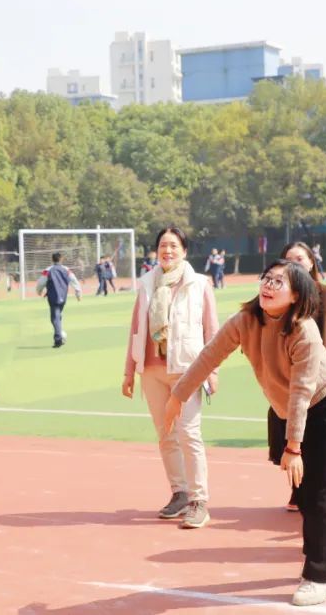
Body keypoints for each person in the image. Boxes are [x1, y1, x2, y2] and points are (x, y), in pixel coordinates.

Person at [164, 260, 326, 606]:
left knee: (321, 490)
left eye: (279, 282)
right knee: (304, 492)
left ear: (296, 295)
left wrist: (294, 447)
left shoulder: (304, 331)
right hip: (284, 410)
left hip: (323, 409)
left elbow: (302, 392)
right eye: (267, 278)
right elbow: (210, 355)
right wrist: (178, 396)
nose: (268, 285)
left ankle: (321, 576)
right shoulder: (246, 320)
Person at [123, 227, 218, 530]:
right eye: (163, 245)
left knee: (189, 433)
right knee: (166, 434)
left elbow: (211, 331)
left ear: (184, 251)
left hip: (187, 369)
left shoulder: (199, 284)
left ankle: (199, 501)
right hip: (152, 370)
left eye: (174, 246)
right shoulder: (147, 284)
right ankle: (180, 493)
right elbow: (136, 330)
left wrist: (212, 371)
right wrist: (129, 371)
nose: (168, 251)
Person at [271, 241, 326, 511]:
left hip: (322, 377)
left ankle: (317, 492)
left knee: (320, 435)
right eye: (289, 259)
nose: (295, 264)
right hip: (288, 375)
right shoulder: (279, 298)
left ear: (311, 262)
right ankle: (297, 490)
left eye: (300, 259)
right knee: (293, 433)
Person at [36, 252, 81, 348]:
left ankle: (58, 339)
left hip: (53, 297)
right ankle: (60, 333)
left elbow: (41, 282)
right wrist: (78, 292)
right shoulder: (66, 270)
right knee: (58, 316)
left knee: (54, 318)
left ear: (52, 260)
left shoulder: (48, 270)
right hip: (63, 297)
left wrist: (39, 291)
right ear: (61, 259)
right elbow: (74, 280)